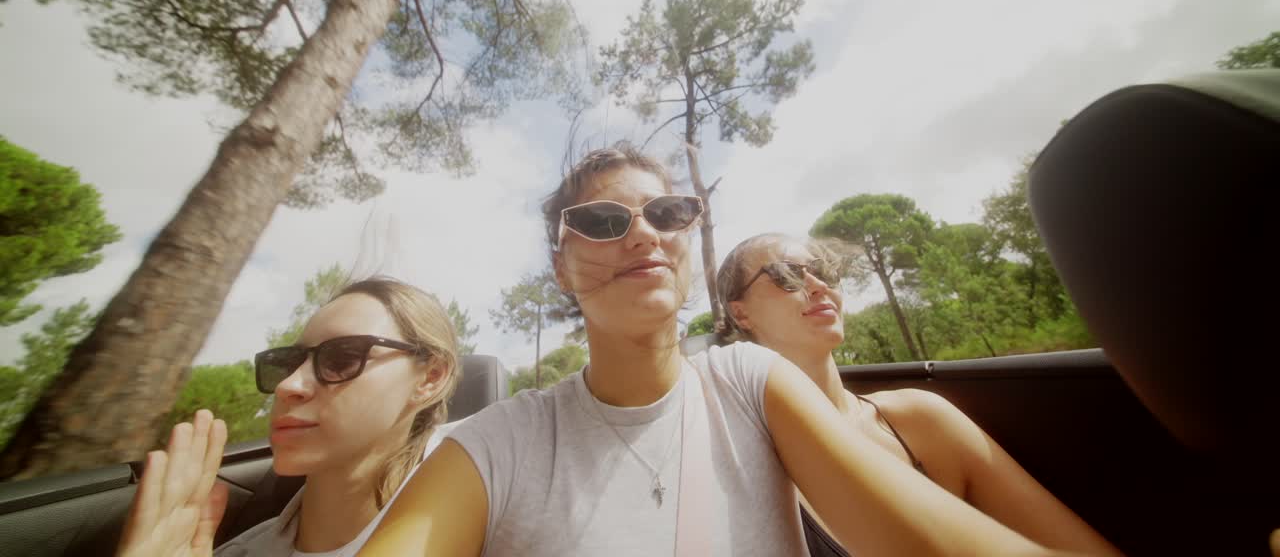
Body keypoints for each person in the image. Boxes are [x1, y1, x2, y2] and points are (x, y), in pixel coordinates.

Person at [358, 143, 1075, 556]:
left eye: (666, 213)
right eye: (603, 221)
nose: (642, 235)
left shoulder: (750, 381)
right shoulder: (493, 446)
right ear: (561, 267)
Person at [716, 233, 1122, 557]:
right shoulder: (741, 464)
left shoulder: (919, 419)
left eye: (823, 272)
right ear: (741, 314)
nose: (819, 286)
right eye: (787, 275)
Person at [115, 277, 460, 557]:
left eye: (342, 358)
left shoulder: (484, 539)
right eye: (287, 362)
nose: (288, 385)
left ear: (430, 377)